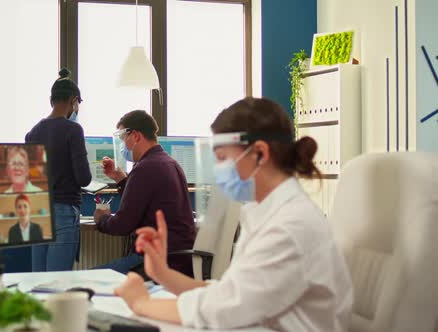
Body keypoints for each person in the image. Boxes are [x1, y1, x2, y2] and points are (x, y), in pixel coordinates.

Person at [113, 97, 353, 331]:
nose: (219, 170)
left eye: (223, 158)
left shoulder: (290, 226)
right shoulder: (264, 212)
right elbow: (230, 293)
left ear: (260, 153)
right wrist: (163, 274)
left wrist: (141, 303)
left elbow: (224, 310)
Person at [93, 110, 196, 277]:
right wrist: (120, 178)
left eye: (122, 139)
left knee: (87, 279)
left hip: (156, 261)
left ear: (135, 136)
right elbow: (144, 198)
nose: (122, 146)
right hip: (177, 259)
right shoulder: (169, 163)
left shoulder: (145, 168)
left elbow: (122, 225)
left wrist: (101, 220)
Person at [25, 68, 92, 271]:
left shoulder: (32, 133)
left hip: (38, 212)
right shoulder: (73, 130)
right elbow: (84, 178)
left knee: (39, 280)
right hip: (64, 211)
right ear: (73, 100)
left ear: (51, 100)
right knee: (58, 282)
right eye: (78, 104)